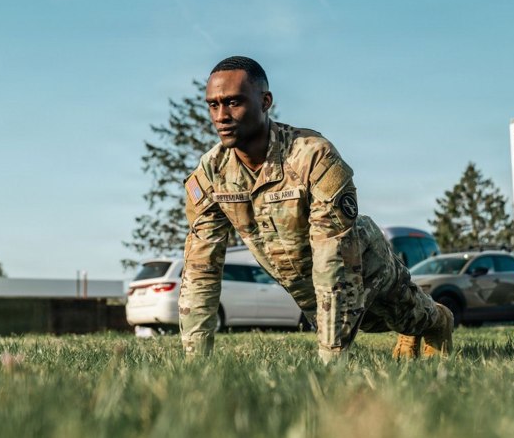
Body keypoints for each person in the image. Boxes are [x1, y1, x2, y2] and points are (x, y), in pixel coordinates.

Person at [179, 56, 453, 362]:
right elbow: (200, 270)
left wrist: (331, 365)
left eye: (233, 102)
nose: (221, 115)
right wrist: (195, 364)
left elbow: (333, 257)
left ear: (265, 101)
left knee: (407, 315)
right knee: (369, 325)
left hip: (361, 259)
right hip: (305, 283)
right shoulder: (211, 174)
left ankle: (439, 321)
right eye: (213, 105)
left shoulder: (310, 155)